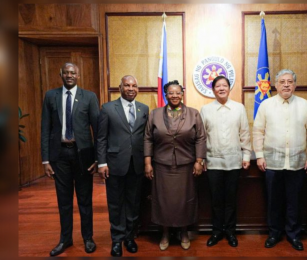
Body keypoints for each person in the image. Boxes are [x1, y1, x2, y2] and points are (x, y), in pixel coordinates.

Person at [253, 69, 307, 251]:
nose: (286, 84)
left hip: (297, 163)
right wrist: (259, 155)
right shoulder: (266, 105)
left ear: (295, 85)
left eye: (290, 81)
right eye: (282, 82)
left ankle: (294, 235)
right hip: (272, 163)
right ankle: (274, 233)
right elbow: (258, 131)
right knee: (274, 201)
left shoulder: (305, 105)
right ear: (276, 85)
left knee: (294, 201)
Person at [41, 62, 99, 256]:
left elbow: (97, 129)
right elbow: (45, 129)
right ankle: (65, 239)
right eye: (65, 72)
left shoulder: (89, 97)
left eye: (73, 72)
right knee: (63, 201)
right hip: (60, 156)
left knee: (85, 200)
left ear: (78, 75)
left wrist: (98, 158)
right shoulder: (51, 96)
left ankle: (88, 238)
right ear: (60, 74)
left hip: (83, 155)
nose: (69, 75)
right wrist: (46, 160)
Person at [144, 80, 206, 251]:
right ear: (165, 95)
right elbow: (148, 138)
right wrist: (148, 162)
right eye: (170, 93)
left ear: (182, 94)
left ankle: (184, 232)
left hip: (186, 165)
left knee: (185, 201)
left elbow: (201, 137)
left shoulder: (193, 114)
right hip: (162, 165)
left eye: (178, 92)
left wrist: (199, 161)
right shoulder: (155, 114)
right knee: (163, 201)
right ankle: (164, 233)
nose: (174, 96)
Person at [97, 75, 149, 257]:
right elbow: (101, 138)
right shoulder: (108, 108)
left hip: (136, 165)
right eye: (127, 85)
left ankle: (129, 237)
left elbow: (145, 137)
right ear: (120, 87)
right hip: (114, 165)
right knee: (116, 204)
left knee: (133, 203)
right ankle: (117, 240)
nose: (131, 88)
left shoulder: (144, 109)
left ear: (138, 89)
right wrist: (102, 162)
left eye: (134, 85)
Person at [200, 76, 251, 248]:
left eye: (224, 85)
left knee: (230, 200)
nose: (221, 88)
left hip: (234, 162)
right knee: (215, 200)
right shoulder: (206, 110)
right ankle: (216, 231)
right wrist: (202, 159)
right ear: (213, 90)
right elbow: (201, 137)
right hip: (213, 162)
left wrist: (246, 156)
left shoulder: (239, 108)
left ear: (229, 88)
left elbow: (244, 133)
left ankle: (230, 231)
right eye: (217, 86)